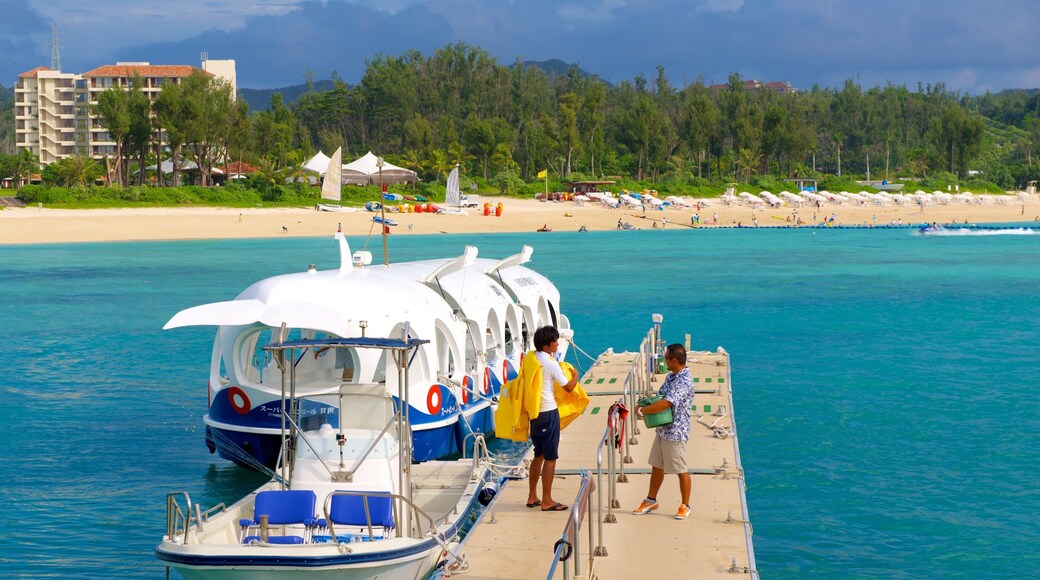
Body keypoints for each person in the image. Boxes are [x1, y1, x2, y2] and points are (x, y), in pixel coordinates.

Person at [633, 344, 696, 520]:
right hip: (662, 430)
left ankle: (685, 505)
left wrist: (642, 412)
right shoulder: (671, 377)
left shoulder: (684, 381)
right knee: (657, 465)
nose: (664, 360)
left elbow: (666, 403)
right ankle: (651, 499)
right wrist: (643, 404)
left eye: (666, 358)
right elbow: (659, 396)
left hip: (676, 432)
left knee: (680, 469)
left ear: (674, 360)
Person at [527, 326, 579, 512]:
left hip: (534, 414)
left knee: (538, 454)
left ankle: (533, 496)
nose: (558, 343)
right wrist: (575, 376)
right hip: (548, 413)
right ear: (547, 345)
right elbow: (568, 388)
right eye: (555, 341)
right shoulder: (550, 363)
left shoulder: (531, 359)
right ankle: (547, 501)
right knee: (550, 458)